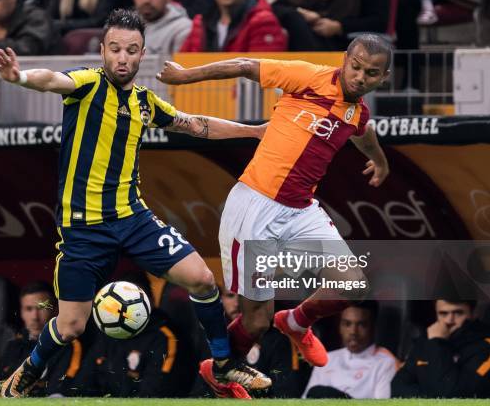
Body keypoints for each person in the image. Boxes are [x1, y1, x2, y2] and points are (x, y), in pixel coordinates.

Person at [0, 8, 271, 399]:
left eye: (132, 50)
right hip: (83, 228)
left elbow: (195, 124)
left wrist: (254, 131)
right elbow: (52, 79)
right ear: (103, 50)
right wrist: (18, 77)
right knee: (70, 325)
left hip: (132, 218)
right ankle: (27, 374)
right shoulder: (87, 84)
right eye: (116, 49)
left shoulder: (144, 102)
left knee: (203, 281)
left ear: (142, 54)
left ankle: (224, 365)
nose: (123, 58)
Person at [157, 33, 391, 390]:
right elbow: (243, 65)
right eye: (355, 67)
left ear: (383, 77)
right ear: (345, 58)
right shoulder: (308, 76)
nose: (360, 77)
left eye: (371, 73)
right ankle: (219, 371)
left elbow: (361, 130)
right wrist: (184, 76)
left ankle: (296, 321)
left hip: (301, 211)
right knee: (256, 322)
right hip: (254, 207)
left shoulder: (357, 112)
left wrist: (378, 160)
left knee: (353, 285)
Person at [0, 281, 83, 396]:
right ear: (21, 312)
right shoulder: (13, 347)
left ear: (55, 309)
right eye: (29, 309)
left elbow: (60, 391)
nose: (35, 317)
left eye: (41, 307)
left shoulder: (69, 345)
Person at [391, 300, 490, 398]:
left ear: (474, 313)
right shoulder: (426, 341)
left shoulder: (488, 347)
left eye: (458, 313)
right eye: (443, 313)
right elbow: (397, 387)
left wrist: (437, 343)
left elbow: (455, 397)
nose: (449, 320)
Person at [303, 301, 399, 398]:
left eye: (361, 325)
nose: (353, 332)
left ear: (373, 327)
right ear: (340, 327)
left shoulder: (385, 363)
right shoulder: (326, 358)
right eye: (347, 324)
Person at [180, 0, 287, 52]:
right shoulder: (200, 22)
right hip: (202, 92)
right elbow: (183, 68)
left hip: (244, 94)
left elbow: (262, 75)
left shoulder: (263, 21)